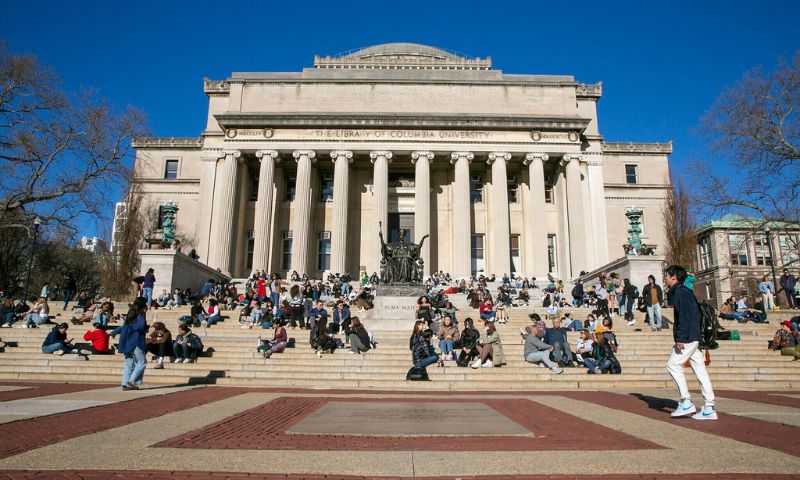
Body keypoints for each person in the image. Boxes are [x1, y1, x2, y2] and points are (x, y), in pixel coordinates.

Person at [664, 264, 717, 420]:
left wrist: (680, 338)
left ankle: (685, 400)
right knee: (700, 370)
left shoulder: (681, 292)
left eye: (667, 275)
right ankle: (709, 406)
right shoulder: (684, 291)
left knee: (673, 365)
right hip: (694, 336)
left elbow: (685, 316)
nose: (665, 278)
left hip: (688, 337)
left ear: (674, 277)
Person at [119, 298, 149, 390]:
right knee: (142, 362)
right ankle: (132, 380)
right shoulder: (141, 315)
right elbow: (141, 327)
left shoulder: (130, 315)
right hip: (136, 341)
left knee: (128, 363)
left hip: (127, 341)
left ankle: (125, 384)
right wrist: (146, 328)